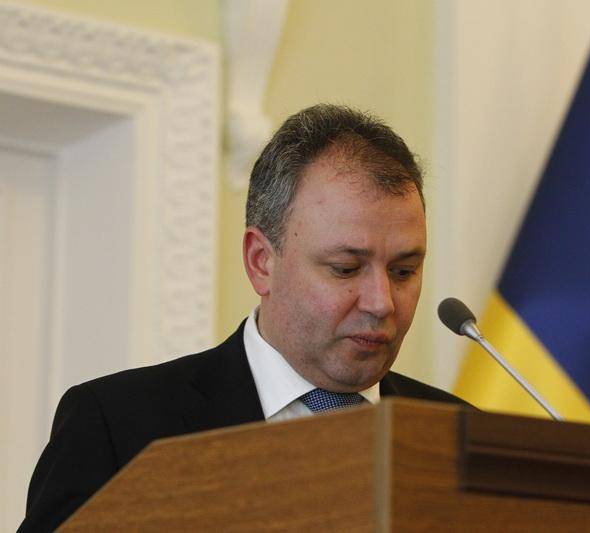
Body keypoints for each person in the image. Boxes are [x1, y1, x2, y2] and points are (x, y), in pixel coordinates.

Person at [20, 104, 467, 531]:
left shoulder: (461, 435)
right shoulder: (119, 426)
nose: (381, 302)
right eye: (346, 268)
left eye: (403, 271)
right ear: (260, 262)